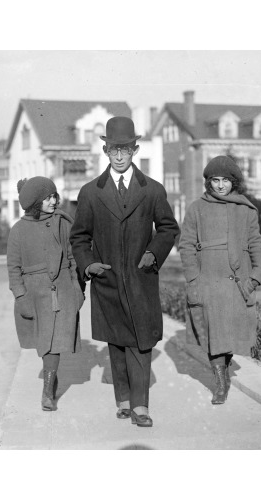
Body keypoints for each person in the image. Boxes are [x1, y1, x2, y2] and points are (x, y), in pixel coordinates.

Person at [70, 116, 179, 427]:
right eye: (114, 150)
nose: (119, 156)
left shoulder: (153, 190)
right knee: (116, 343)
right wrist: (89, 264)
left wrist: (153, 253)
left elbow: (168, 229)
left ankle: (141, 406)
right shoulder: (91, 192)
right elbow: (79, 237)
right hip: (107, 279)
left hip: (141, 278)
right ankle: (123, 400)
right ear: (105, 150)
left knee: (140, 342)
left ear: (135, 149)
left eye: (126, 150)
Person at [179, 155, 261, 405]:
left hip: (239, 283)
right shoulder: (196, 208)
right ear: (208, 182)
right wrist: (194, 278)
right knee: (213, 335)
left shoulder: (246, 209)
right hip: (209, 282)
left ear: (234, 182)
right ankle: (220, 384)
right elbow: (186, 245)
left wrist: (256, 276)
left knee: (229, 335)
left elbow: (255, 243)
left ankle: (224, 371)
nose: (220, 186)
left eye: (225, 181)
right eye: (215, 180)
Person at [7, 176, 84, 411]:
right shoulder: (18, 231)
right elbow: (13, 269)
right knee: (45, 343)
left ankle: (47, 393)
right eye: (47, 198)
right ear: (34, 202)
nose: (53, 201)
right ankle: (51, 380)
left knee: (55, 343)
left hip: (62, 291)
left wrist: (78, 289)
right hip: (35, 294)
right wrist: (21, 297)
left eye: (54, 196)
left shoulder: (63, 223)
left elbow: (72, 259)